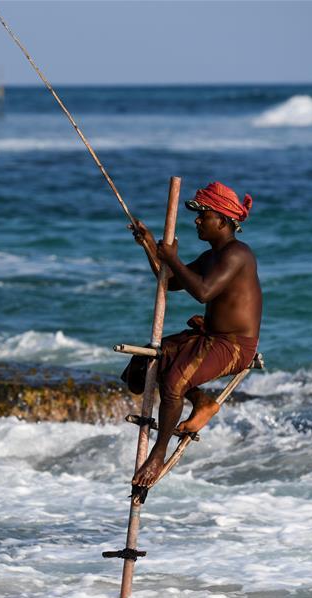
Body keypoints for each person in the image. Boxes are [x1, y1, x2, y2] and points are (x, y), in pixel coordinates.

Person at [125, 181, 263, 488]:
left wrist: (172, 257)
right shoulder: (210, 255)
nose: (197, 221)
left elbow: (202, 292)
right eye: (197, 214)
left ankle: (156, 456)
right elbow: (172, 282)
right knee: (145, 366)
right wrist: (149, 245)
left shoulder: (237, 254)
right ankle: (202, 402)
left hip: (234, 346)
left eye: (204, 215)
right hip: (210, 336)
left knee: (174, 382)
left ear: (224, 221)